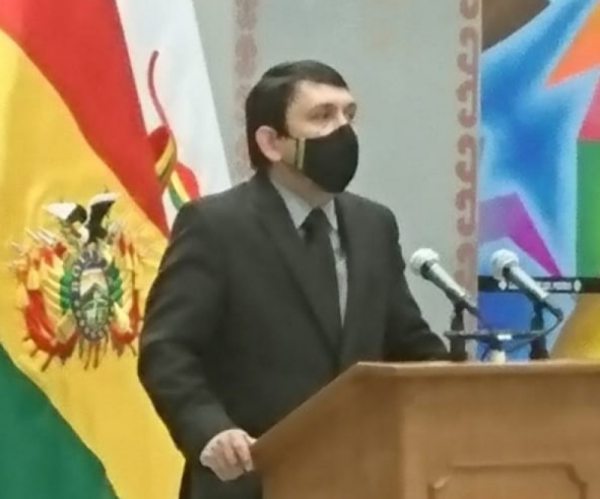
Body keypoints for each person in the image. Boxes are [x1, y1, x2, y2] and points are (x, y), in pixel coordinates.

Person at [138, 60, 448, 499]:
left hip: (361, 479)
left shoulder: (374, 225)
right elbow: (167, 349)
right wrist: (210, 431)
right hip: (250, 480)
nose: (342, 130)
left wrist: (462, 386)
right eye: (322, 116)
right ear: (271, 142)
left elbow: (407, 341)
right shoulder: (215, 225)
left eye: (348, 114)